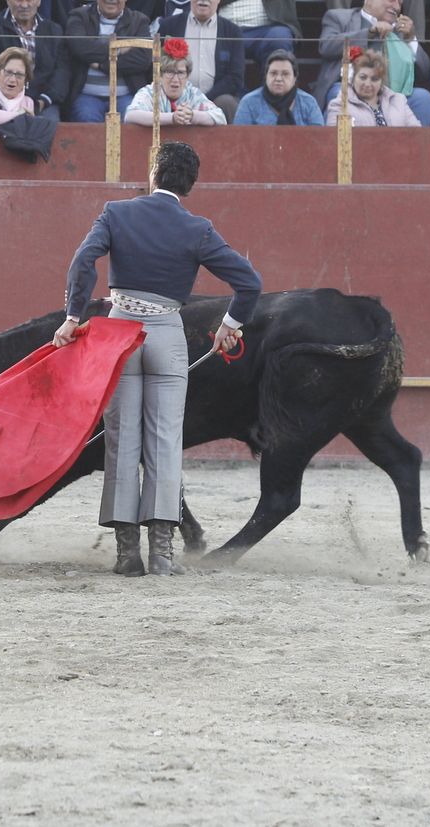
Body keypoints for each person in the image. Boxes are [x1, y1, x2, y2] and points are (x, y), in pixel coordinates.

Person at [54, 140, 261, 576]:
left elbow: (83, 260)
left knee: (121, 439)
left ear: (153, 175)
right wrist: (230, 325)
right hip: (167, 333)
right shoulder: (197, 228)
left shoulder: (116, 213)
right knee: (164, 441)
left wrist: (73, 317)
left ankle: (126, 554)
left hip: (119, 335)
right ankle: (162, 554)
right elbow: (249, 283)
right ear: (190, 185)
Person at [315, 0, 430, 122]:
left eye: (400, 3)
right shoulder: (340, 18)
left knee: (423, 97)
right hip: (353, 88)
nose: (397, 7)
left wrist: (411, 39)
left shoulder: (401, 30)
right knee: (340, 91)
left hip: (392, 95)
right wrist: (369, 33)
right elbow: (326, 46)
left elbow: (425, 72)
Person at [62, 0, 152, 122]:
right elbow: (80, 47)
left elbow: (143, 59)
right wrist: (119, 48)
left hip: (126, 95)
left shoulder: (139, 21)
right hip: (87, 96)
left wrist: (102, 65)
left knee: (132, 120)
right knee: (86, 120)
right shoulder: (79, 16)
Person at [155, 0, 243, 120]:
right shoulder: (169, 26)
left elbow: (235, 77)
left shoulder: (232, 31)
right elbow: (157, 67)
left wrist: (202, 100)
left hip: (214, 100)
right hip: (174, 97)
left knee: (227, 102)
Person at [0, 0, 65, 113]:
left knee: (50, 123)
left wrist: (43, 101)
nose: (24, 5)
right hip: (2, 100)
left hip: (43, 101)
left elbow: (61, 71)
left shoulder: (53, 30)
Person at [126, 42, 226, 125]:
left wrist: (192, 116)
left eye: (181, 73)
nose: (175, 79)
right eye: (170, 72)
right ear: (160, 74)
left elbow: (220, 117)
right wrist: (172, 118)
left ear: (187, 75)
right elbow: (130, 116)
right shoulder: (149, 92)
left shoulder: (193, 93)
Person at [327, 48, 419, 126]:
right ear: (353, 77)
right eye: (363, 77)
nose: (368, 84)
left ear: (381, 81)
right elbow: (335, 138)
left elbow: (416, 133)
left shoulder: (399, 101)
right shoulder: (339, 106)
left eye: (374, 79)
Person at [235, 49, 325, 125]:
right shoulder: (249, 103)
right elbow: (239, 138)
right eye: (273, 73)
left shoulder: (309, 103)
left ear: (294, 78)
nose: (278, 79)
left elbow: (319, 138)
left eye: (285, 74)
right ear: (266, 76)